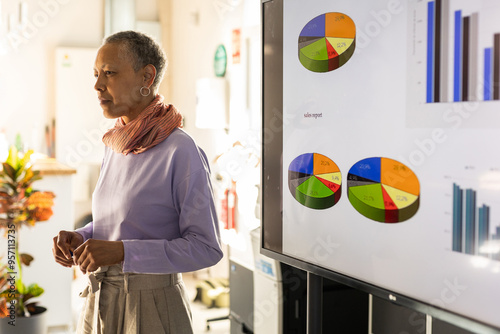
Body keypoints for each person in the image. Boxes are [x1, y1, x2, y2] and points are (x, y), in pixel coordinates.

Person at [52, 30, 223, 334]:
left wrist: (123, 252)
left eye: (110, 73)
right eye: (96, 74)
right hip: (101, 299)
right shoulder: (115, 144)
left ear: (147, 77)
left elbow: (206, 248)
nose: (97, 85)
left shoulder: (181, 150)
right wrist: (82, 237)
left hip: (153, 307)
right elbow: (117, 222)